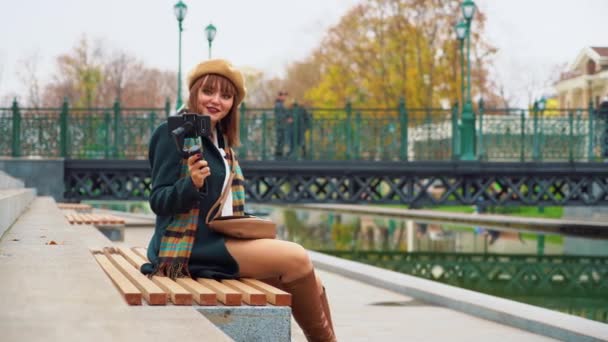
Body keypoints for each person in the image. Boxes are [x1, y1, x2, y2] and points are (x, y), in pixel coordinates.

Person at [141, 59, 336, 342]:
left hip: (221, 238)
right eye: (208, 91)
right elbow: (159, 200)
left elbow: (224, 203)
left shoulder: (220, 141)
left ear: (234, 103)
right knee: (297, 258)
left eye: (226, 95)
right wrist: (191, 184)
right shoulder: (173, 133)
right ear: (194, 92)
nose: (216, 101)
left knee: (312, 281)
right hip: (189, 249)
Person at [274, 91, 292, 159]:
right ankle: (278, 156)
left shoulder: (281, 104)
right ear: (280, 96)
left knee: (281, 140)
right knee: (280, 140)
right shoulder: (278, 104)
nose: (285, 97)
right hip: (280, 126)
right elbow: (279, 115)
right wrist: (287, 119)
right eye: (283, 96)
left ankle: (279, 155)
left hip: (282, 125)